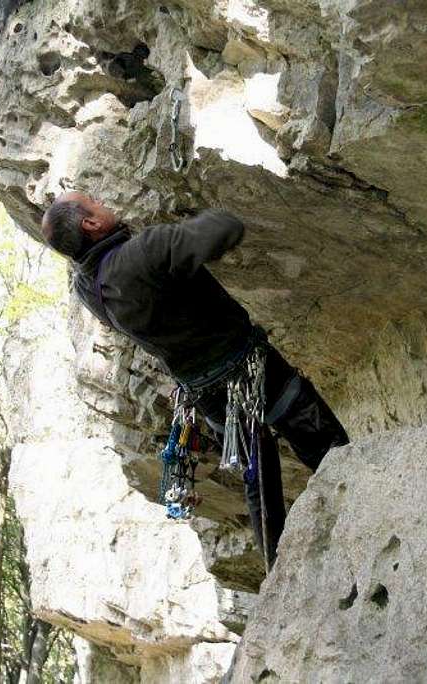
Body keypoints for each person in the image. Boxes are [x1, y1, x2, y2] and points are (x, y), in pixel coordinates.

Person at [40, 191, 349, 566]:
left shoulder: (88, 290)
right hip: (252, 369)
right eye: (93, 201)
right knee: (324, 443)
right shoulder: (147, 251)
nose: (103, 200)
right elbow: (225, 227)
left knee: (259, 482)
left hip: (207, 394)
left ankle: (279, 569)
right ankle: (362, 507)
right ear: (91, 224)